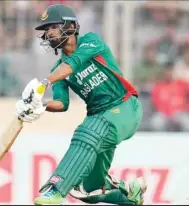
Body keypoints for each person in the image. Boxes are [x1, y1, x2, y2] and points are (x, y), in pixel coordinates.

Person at [15, 4, 147, 205]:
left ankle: (55, 189)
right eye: (46, 30)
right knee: (89, 189)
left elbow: (72, 65)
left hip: (125, 107)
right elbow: (61, 103)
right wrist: (39, 106)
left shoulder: (91, 42)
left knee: (86, 131)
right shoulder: (58, 69)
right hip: (100, 118)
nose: (49, 33)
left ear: (70, 25)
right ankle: (130, 195)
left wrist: (43, 84)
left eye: (53, 27)